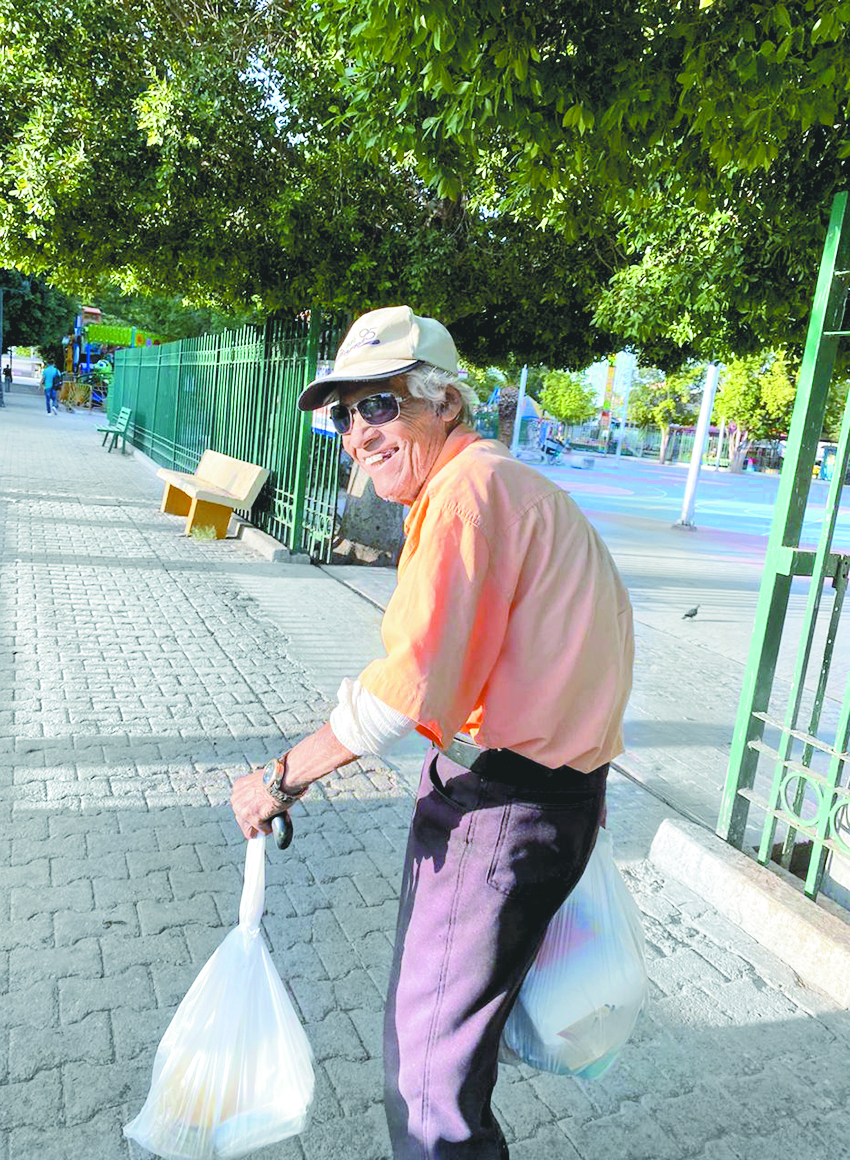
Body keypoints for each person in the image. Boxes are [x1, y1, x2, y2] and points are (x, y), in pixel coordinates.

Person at [230, 306, 634, 1160]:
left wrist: (277, 778)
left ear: (442, 402)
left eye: (380, 406)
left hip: (503, 808)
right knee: (452, 1050)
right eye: (345, 413)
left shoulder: (463, 497)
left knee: (428, 1081)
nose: (357, 433)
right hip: (552, 798)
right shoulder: (507, 485)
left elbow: (400, 695)